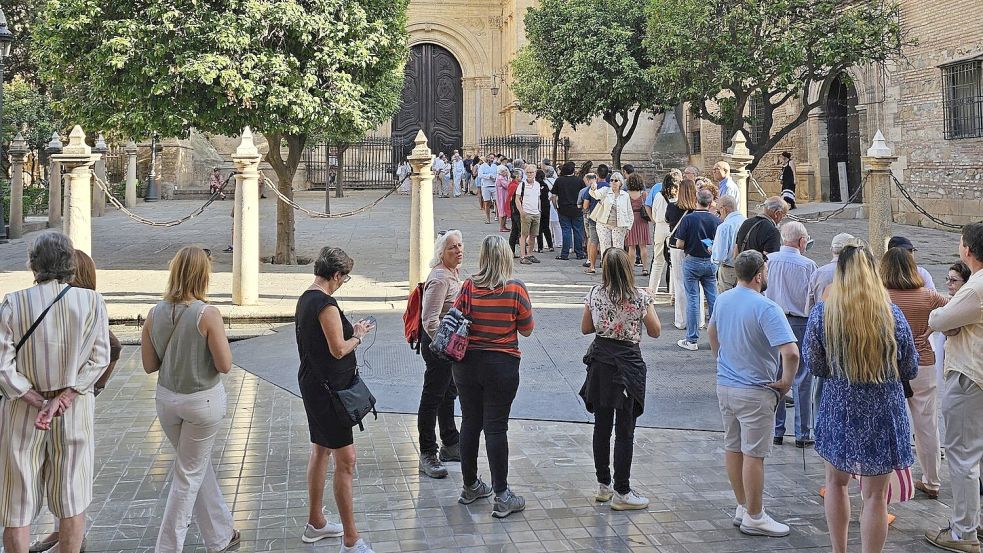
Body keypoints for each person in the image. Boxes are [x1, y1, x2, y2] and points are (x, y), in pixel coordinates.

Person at [0, 232, 110, 553]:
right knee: (72, 499)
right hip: (73, 411)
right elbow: (100, 358)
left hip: (23, 412)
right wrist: (64, 398)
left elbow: (2, 365)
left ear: (34, 265)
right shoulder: (91, 302)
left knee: (16, 506)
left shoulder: (13, 303)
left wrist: (36, 400)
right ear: (70, 265)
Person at [804, 244, 918, 553]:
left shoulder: (823, 315)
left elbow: (814, 365)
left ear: (839, 275)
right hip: (883, 411)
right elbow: (910, 366)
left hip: (840, 409)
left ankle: (838, 550)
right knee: (875, 496)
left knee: (836, 485)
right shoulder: (891, 315)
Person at [141, 247, 238, 553]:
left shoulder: (154, 313)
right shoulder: (206, 314)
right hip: (202, 402)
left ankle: (221, 535)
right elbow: (224, 365)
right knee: (188, 475)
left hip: (167, 400)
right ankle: (168, 547)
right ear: (203, 275)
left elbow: (148, 365)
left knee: (195, 467)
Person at [28, 251, 123, 553]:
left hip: (63, 402)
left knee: (66, 476)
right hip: (62, 403)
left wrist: (94, 386)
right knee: (63, 473)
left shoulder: (84, 304)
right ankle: (61, 533)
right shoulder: (77, 303)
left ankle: (68, 537)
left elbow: (113, 347)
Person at [709, 250, 798, 538]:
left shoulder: (723, 299)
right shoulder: (766, 308)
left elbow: (713, 333)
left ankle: (743, 505)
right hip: (755, 388)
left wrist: (720, 360)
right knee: (754, 454)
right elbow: (791, 352)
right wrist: (786, 382)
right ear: (759, 274)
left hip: (727, 385)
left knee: (733, 447)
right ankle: (756, 515)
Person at [295, 247, 377, 552]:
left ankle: (315, 523)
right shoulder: (325, 304)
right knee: (346, 460)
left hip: (314, 385)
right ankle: (351, 539)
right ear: (336, 275)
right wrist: (358, 335)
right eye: (345, 276)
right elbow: (339, 349)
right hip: (329, 392)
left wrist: (349, 334)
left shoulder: (306, 297)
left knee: (320, 451)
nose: (345, 281)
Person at [453, 235, 534, 519]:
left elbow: (456, 319)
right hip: (502, 365)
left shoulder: (468, 287)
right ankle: (501, 495)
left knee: (470, 423)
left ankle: (470, 486)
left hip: (466, 365)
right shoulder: (515, 289)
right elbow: (526, 329)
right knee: (496, 427)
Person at [580, 248, 661, 511]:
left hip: (601, 362)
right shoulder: (639, 298)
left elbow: (585, 328)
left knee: (601, 427)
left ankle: (603, 485)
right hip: (628, 365)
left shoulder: (594, 294)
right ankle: (622, 490)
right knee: (625, 430)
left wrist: (605, 321)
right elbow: (656, 331)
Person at [924, 223, 983, 553]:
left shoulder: (974, 287)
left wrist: (945, 316)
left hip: (969, 376)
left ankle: (963, 532)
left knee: (962, 457)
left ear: (968, 251)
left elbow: (938, 320)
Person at [880, 246, 948, 500]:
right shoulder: (928, 296)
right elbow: (952, 312)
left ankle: (887, 483)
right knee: (927, 424)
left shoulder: (881, 297)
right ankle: (932, 480)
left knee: (887, 424)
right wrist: (934, 327)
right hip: (923, 363)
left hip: (889, 365)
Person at [763, 222, 818, 447]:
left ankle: (776, 429)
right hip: (798, 321)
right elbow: (811, 297)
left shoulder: (770, 261)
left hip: (773, 319)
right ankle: (803, 432)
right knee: (802, 377)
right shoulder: (808, 265)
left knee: (775, 374)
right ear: (802, 241)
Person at [417, 231, 464, 479]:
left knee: (448, 392)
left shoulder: (452, 273)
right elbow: (429, 320)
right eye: (452, 248)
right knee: (433, 396)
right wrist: (445, 346)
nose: (458, 251)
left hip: (448, 346)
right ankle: (427, 452)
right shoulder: (439, 278)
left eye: (459, 246)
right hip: (438, 347)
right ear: (441, 254)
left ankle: (450, 442)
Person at [673, 188, 721, 351]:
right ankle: (718, 336)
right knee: (713, 297)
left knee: (693, 298)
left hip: (692, 260)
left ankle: (692, 339)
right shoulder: (716, 220)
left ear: (696, 200)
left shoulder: (689, 219)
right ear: (710, 202)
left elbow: (679, 244)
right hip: (710, 261)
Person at [666, 179, 699, 329]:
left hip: (677, 246)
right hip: (694, 247)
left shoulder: (672, 207)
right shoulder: (697, 209)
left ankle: (681, 320)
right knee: (696, 284)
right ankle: (697, 320)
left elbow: (667, 220)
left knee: (679, 282)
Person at [807, 233, 858, 310]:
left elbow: (809, 307)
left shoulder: (818, 273)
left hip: (823, 319)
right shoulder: (859, 273)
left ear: (831, 249)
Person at [589, 171, 633, 256]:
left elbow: (629, 212)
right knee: (605, 247)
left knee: (618, 248)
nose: (613, 182)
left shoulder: (625, 195)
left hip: (619, 225)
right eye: (612, 180)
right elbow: (595, 194)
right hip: (603, 223)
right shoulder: (605, 190)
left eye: (616, 180)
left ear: (620, 182)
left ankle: (617, 268)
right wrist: (593, 187)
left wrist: (629, 227)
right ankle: (606, 267)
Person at [647, 175, 676, 294]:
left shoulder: (658, 196)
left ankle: (652, 290)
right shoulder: (677, 198)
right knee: (673, 261)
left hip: (660, 226)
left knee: (658, 260)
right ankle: (673, 292)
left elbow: (653, 213)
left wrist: (656, 221)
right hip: (672, 228)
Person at [551, 161, 587, 261]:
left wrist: (555, 207)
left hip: (563, 208)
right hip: (577, 208)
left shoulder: (559, 180)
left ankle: (565, 253)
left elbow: (553, 196)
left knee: (566, 231)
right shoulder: (579, 180)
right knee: (578, 231)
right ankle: (579, 253)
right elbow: (584, 195)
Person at [711, 195, 746, 293]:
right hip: (745, 268)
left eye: (718, 211)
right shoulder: (746, 221)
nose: (719, 215)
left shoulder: (725, 226)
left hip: (728, 269)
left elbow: (719, 256)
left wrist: (712, 250)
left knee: (726, 300)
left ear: (724, 209)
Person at [584, 165, 611, 273]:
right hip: (605, 218)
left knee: (593, 242)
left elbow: (585, 205)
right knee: (606, 243)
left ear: (597, 174)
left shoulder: (592, 187)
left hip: (594, 218)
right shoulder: (610, 187)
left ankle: (592, 266)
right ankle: (605, 265)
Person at [625, 173, 652, 276]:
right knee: (643, 246)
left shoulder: (626, 195)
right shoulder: (643, 194)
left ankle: (631, 269)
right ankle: (645, 268)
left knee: (631, 247)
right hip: (642, 220)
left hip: (630, 220)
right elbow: (648, 206)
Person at [535, 169, 555, 253]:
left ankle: (540, 247)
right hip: (546, 206)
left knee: (538, 228)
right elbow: (552, 192)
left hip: (537, 206)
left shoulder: (535, 185)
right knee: (546, 226)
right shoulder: (545, 185)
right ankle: (550, 245)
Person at [477, 154, 498, 224]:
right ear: (487, 158)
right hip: (486, 186)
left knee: (497, 202)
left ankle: (497, 216)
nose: (491, 159)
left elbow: (498, 174)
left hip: (494, 185)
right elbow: (480, 175)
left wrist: (495, 178)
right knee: (487, 203)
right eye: (490, 158)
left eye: (493, 158)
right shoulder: (482, 166)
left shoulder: (495, 166)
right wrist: (489, 176)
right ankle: (488, 218)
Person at [495, 165, 511, 232]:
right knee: (502, 211)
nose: (506, 172)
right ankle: (502, 227)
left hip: (504, 195)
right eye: (505, 171)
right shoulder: (500, 178)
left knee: (504, 211)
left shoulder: (502, 177)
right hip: (502, 196)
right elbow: (507, 185)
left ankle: (504, 226)